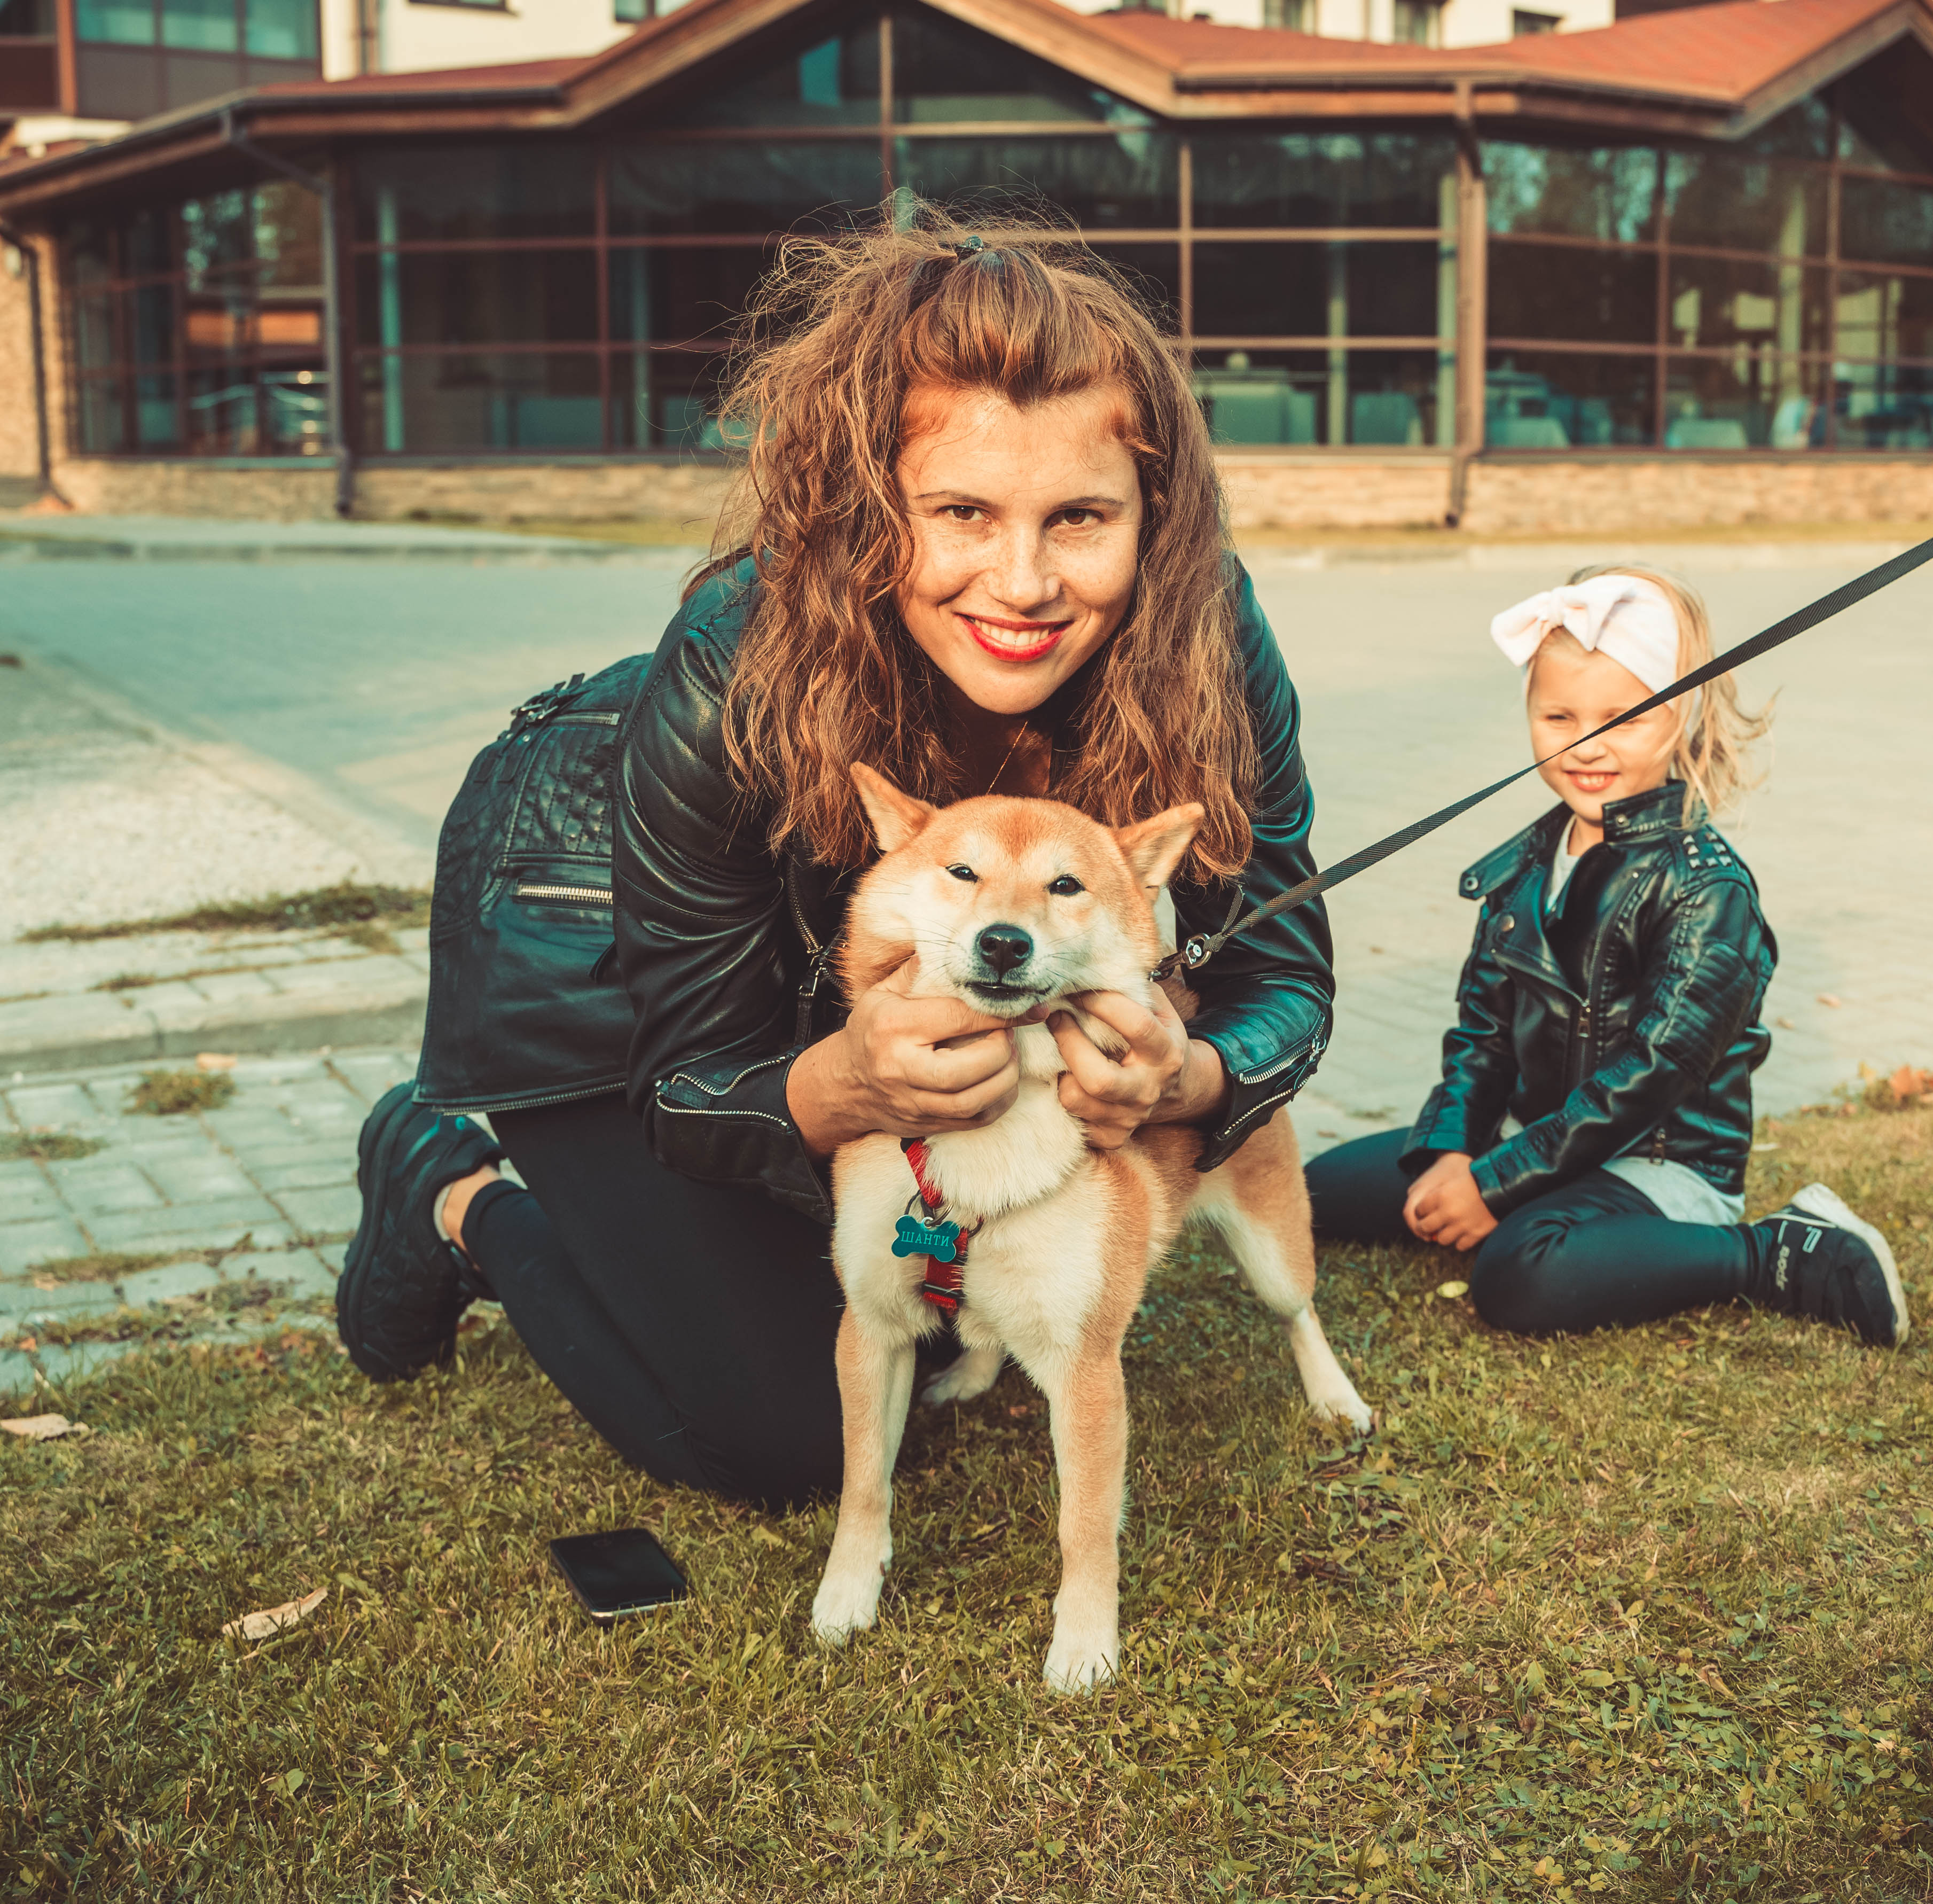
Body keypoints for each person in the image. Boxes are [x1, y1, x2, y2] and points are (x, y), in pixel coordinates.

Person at [336, 210, 1335, 1506]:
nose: (1023, 582)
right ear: (868, 507)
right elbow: (690, 1080)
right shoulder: (731, 654)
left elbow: (1286, 974)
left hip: (861, 976)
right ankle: (451, 1191)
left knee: (924, 1320)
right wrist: (855, 1082)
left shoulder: (1208, 632)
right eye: (960, 512)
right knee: (784, 1439)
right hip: (593, 971)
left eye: (1081, 517)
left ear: (1156, 516)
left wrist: (1183, 1075)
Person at [1301, 567, 1908, 1345]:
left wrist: (1494, 1187)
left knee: (1521, 1277)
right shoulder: (1524, 865)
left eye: (1624, 718)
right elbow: (1483, 1035)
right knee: (1323, 1191)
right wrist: (1456, 1150)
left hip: (1657, 1161)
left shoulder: (1706, 890)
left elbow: (1648, 1079)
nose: (1587, 745)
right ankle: (1537, 1204)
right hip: (1535, 1138)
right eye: (1559, 716)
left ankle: (1773, 1252)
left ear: (1681, 715)